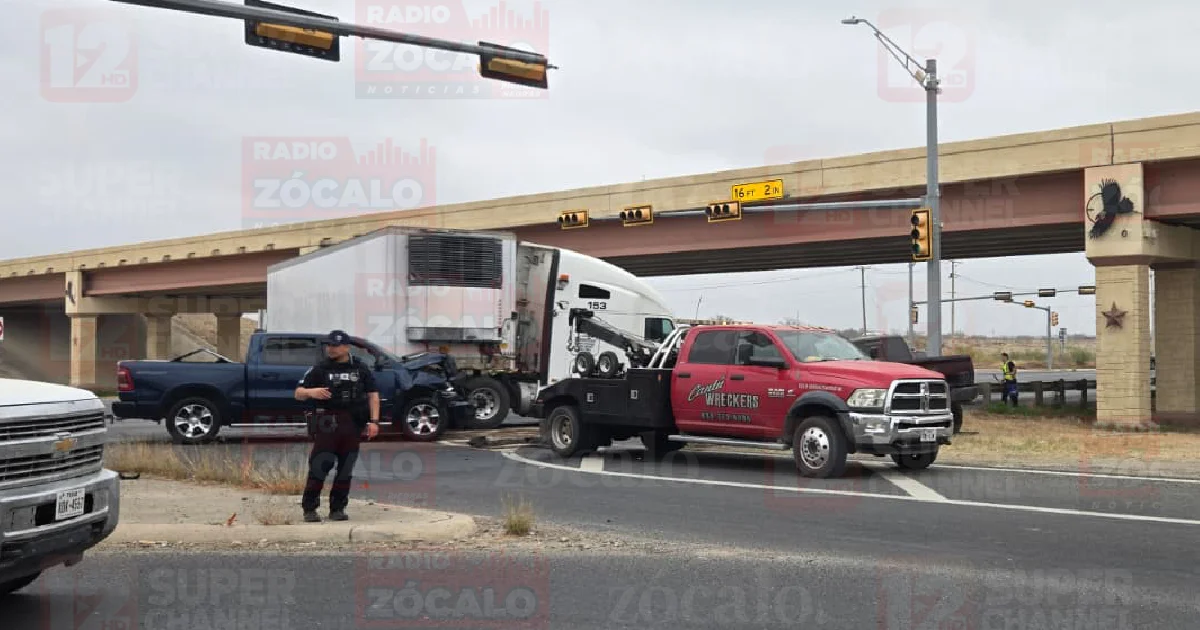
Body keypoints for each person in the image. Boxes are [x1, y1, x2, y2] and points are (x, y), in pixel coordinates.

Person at [294, 330, 380, 522]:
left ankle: (337, 508)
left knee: (345, 468)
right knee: (320, 465)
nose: (330, 349)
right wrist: (311, 392)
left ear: (346, 347)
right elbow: (297, 393)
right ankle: (310, 508)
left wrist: (374, 421)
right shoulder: (320, 369)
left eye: (334, 345)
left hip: (352, 423)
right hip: (327, 423)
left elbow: (373, 394)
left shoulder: (360, 368)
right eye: (328, 345)